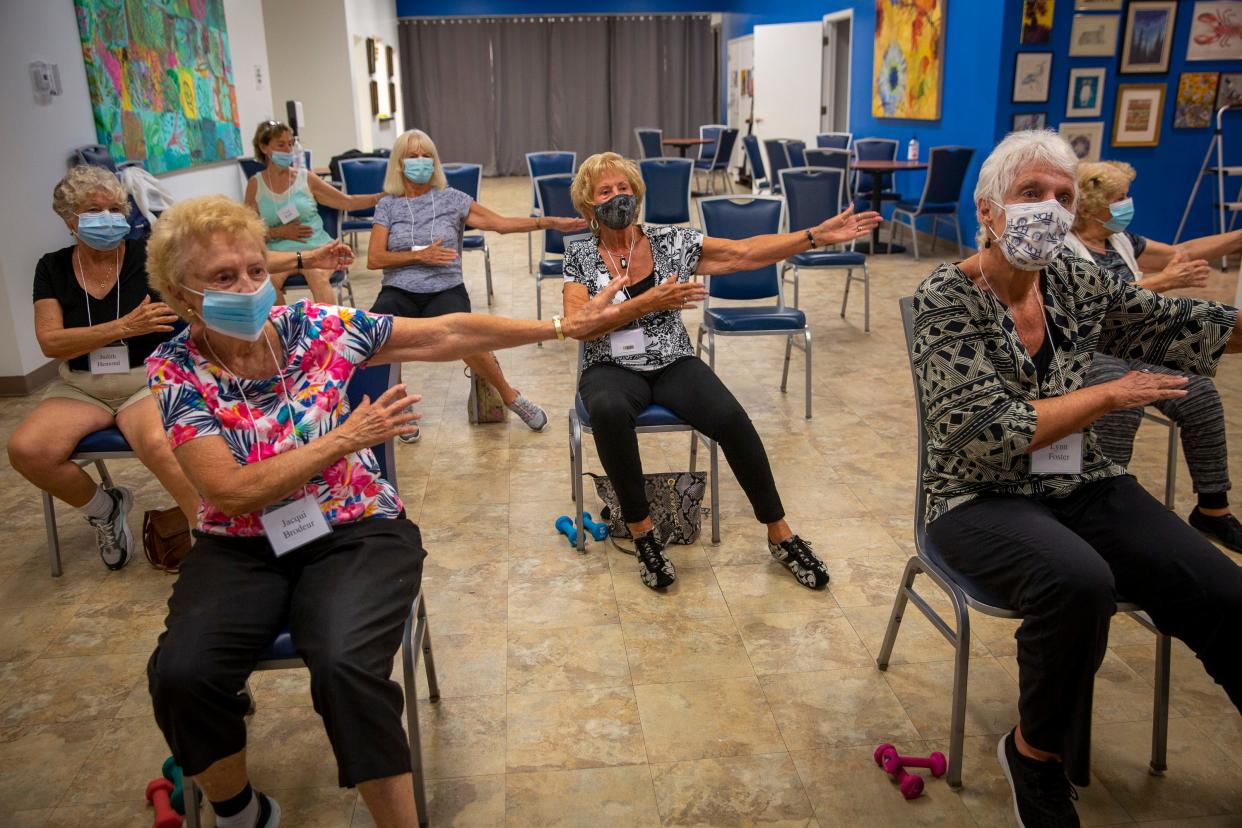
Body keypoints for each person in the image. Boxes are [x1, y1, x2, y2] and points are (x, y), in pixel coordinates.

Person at [142, 195, 629, 828]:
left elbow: (449, 332)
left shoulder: (311, 328)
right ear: (183, 297)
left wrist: (563, 328)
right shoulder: (175, 368)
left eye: (256, 271)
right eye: (224, 278)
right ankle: (241, 813)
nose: (249, 287)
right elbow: (228, 492)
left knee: (343, 663)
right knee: (183, 673)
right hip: (240, 543)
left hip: (355, 526)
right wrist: (344, 438)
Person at [911, 130, 1242, 827]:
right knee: (1077, 579)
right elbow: (990, 434)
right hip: (975, 495)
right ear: (989, 208)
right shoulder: (946, 297)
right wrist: (1106, 397)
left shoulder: (1073, 279)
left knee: (1219, 588)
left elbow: (1173, 325)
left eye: (1062, 197)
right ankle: (1034, 757)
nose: (1051, 210)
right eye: (1031, 194)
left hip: (1077, 479)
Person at [562, 152, 881, 591]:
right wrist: (647, 303)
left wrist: (812, 236)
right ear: (587, 205)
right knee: (610, 413)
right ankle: (643, 534)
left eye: (625, 188)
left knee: (731, 419)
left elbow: (743, 253)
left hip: (672, 359)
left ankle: (779, 532)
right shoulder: (580, 255)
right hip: (610, 367)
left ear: (638, 195)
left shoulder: (671, 242)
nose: (619, 196)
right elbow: (578, 324)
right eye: (606, 191)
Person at [6, 164, 198, 570]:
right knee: (27, 450)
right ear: (69, 218)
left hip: (143, 379)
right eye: (96, 210)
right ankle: (104, 508)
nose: (110, 219)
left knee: (160, 445)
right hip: (81, 386)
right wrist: (125, 327)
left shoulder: (147, 257)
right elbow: (50, 342)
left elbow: (190, 302)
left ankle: (212, 542)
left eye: (115, 208)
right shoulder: (53, 267)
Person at [1064, 160, 1242, 551]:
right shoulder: (1064, 247)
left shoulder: (1123, 241)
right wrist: (1163, 282)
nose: (1128, 203)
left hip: (1134, 342)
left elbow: (1182, 252)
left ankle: (1213, 510)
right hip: (1086, 347)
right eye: (1120, 198)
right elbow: (1096, 302)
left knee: (1199, 395)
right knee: (1119, 400)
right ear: (1093, 206)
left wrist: (1237, 238)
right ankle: (1105, 509)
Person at [367, 129, 584, 436]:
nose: (420, 161)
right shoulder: (387, 205)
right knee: (376, 335)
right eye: (412, 156)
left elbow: (501, 225)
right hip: (398, 289)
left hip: (445, 287)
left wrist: (549, 222)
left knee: (469, 336)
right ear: (399, 164)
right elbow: (374, 258)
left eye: (426, 155)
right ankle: (399, 406)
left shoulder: (452, 199)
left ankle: (511, 396)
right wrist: (419, 257)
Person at [245, 120, 382, 304]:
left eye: (290, 144)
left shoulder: (306, 178)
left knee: (316, 275)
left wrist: (379, 197)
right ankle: (285, 330)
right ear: (263, 147)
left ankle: (328, 330)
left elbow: (346, 202)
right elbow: (248, 233)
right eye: (281, 145)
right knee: (267, 284)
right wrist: (278, 232)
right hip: (278, 252)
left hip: (316, 248)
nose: (288, 150)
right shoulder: (255, 184)